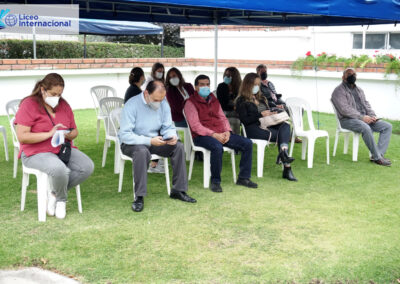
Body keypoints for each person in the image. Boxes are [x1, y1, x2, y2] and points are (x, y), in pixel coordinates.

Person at [14, 73, 94, 219]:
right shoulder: (29, 104)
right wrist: (49, 133)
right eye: (53, 94)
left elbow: (75, 131)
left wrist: (68, 134)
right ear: (42, 89)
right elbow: (22, 136)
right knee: (60, 170)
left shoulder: (63, 105)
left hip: (61, 148)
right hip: (35, 152)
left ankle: (53, 194)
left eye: (59, 94)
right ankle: (61, 201)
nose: (57, 97)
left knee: (87, 167)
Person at [119, 80, 197, 212]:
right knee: (142, 152)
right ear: (146, 93)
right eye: (156, 99)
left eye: (161, 99)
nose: (158, 103)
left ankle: (178, 190)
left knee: (178, 147)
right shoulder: (131, 105)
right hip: (132, 143)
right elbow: (125, 135)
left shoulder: (163, 104)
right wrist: (149, 140)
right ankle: (139, 197)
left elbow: (168, 126)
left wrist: (172, 136)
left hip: (155, 140)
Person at [184, 74, 258, 193]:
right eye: (202, 85)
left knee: (247, 143)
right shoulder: (190, 103)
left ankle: (243, 178)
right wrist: (213, 134)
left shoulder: (213, 99)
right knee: (217, 147)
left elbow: (222, 118)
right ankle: (215, 181)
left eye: (207, 84)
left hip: (221, 133)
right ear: (196, 87)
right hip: (202, 136)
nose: (205, 87)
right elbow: (195, 126)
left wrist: (227, 131)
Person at [235, 73, 297, 181]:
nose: (257, 87)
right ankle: (287, 166)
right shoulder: (241, 100)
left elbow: (267, 110)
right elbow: (244, 121)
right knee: (282, 135)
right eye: (255, 84)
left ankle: (283, 153)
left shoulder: (262, 98)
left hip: (268, 124)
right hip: (253, 129)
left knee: (285, 126)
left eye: (258, 84)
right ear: (248, 85)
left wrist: (272, 112)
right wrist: (260, 115)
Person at [331, 68, 392, 166]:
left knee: (387, 126)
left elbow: (366, 104)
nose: (352, 76)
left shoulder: (359, 89)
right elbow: (344, 109)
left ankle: (378, 154)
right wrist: (361, 117)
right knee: (365, 128)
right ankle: (377, 158)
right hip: (348, 120)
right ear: (343, 77)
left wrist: (372, 116)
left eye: (354, 74)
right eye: (349, 74)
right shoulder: (338, 91)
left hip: (364, 118)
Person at [256, 64, 302, 143]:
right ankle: (286, 135)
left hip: (277, 103)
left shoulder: (269, 83)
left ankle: (294, 135)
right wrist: (276, 105)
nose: (264, 73)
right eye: (262, 71)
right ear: (258, 72)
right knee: (285, 111)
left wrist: (284, 104)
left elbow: (275, 96)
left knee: (299, 110)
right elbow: (263, 100)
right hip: (270, 106)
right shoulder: (257, 85)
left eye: (265, 71)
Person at [216, 67, 241, 134]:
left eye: (229, 75)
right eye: (225, 75)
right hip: (225, 111)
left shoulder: (240, 87)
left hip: (237, 111)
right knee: (234, 120)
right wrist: (233, 107)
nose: (226, 77)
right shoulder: (221, 86)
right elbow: (222, 104)